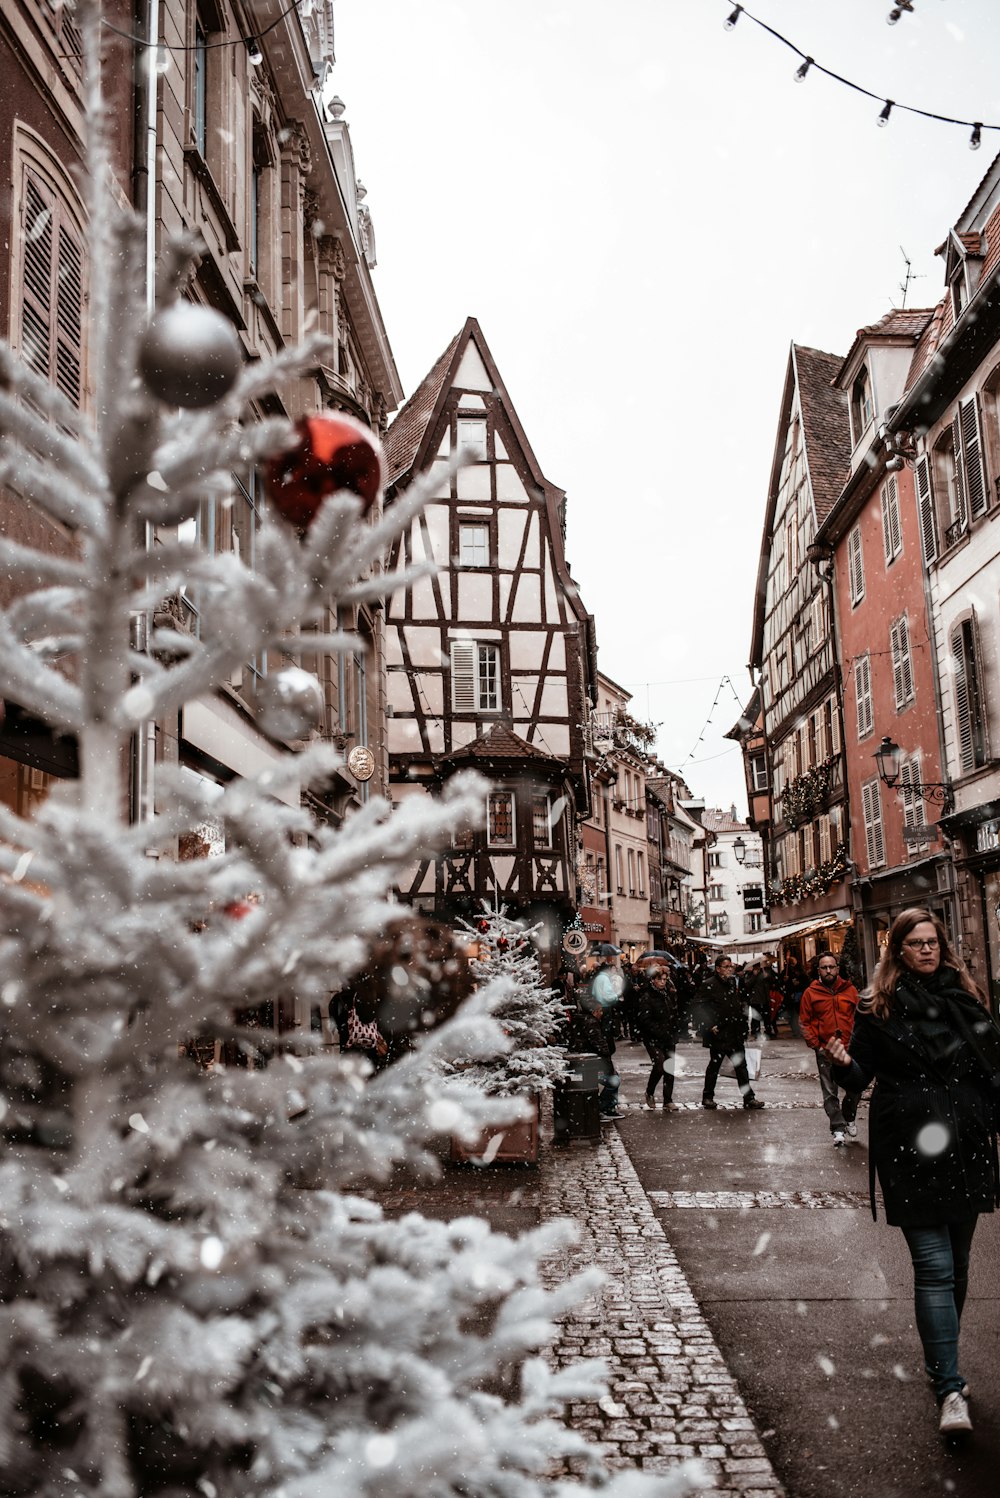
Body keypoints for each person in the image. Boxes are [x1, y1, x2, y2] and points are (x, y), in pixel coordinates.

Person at [826, 908, 1000, 1437]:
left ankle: (938, 1365)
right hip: (911, 1144)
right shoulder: (878, 1008)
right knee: (934, 1268)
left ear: (940, 947)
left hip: (965, 1143)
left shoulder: (965, 1000)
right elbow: (860, 1074)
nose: (926, 950)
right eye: (915, 943)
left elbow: (990, 1068)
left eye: (932, 942)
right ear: (897, 951)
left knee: (960, 1265)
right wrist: (840, 1063)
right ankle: (949, 1386)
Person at [799, 952, 862, 1147]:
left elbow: (860, 1017)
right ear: (818, 970)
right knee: (829, 1091)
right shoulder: (811, 993)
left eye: (831, 967)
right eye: (824, 967)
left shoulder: (850, 990)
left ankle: (849, 1115)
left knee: (855, 1088)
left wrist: (860, 1041)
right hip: (826, 1050)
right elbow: (804, 1022)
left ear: (837, 969)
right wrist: (816, 1045)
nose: (828, 970)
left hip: (850, 1048)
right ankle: (838, 1128)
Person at [693, 954, 765, 1110]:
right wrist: (709, 1025)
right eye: (726, 967)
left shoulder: (733, 982)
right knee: (714, 1065)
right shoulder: (709, 984)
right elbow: (699, 1006)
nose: (729, 969)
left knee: (741, 1066)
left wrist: (744, 1025)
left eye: (730, 966)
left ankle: (749, 1098)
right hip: (719, 1032)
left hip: (734, 1031)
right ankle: (707, 1097)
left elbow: (737, 1004)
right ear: (718, 969)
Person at [633, 964, 682, 1110]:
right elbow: (645, 1020)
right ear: (653, 980)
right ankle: (650, 1091)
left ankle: (668, 1100)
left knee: (669, 1068)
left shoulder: (668, 994)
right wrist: (658, 1030)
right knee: (660, 1066)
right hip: (653, 1038)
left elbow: (673, 1012)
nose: (663, 982)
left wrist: (674, 1027)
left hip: (668, 1036)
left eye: (665, 979)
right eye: (660, 979)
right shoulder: (647, 996)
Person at [587, 945, 626, 1118]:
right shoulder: (603, 979)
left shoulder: (597, 978)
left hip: (603, 1013)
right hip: (606, 1011)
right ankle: (605, 1107)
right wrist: (617, 997)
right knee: (607, 1045)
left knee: (606, 1044)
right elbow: (608, 996)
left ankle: (606, 1106)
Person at [747, 953, 779, 1039]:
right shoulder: (751, 974)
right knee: (756, 1017)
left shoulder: (766, 972)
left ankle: (768, 1031)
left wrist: (768, 977)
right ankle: (756, 1032)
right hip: (756, 999)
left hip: (765, 998)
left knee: (767, 1017)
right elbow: (748, 984)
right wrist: (754, 976)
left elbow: (773, 982)